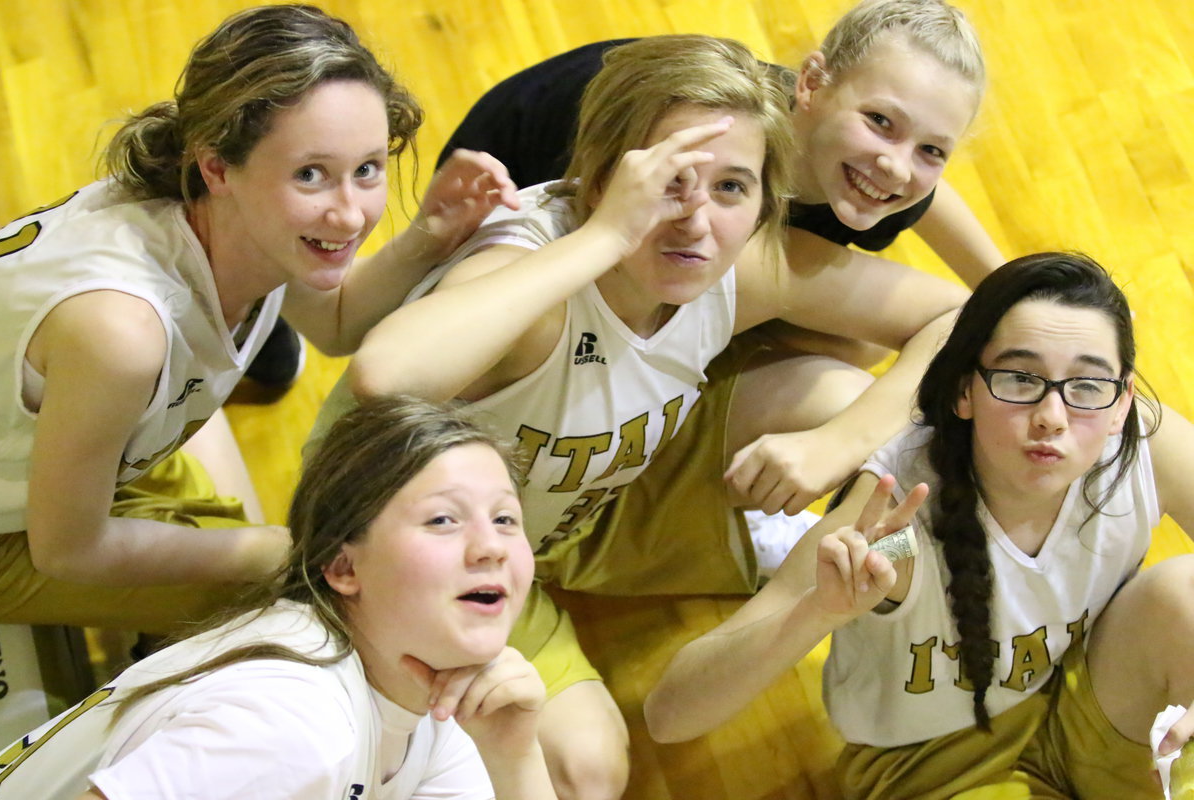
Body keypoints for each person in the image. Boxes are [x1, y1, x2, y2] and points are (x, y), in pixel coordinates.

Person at [313, 32, 973, 799]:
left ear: (765, 198)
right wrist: (606, 236)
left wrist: (841, 442)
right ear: (602, 178)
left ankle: (813, 606)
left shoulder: (740, 262)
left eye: (731, 188)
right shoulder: (536, 285)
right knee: (586, 771)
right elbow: (382, 374)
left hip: (570, 517)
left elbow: (958, 315)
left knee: (851, 397)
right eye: (671, 182)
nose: (696, 219)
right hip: (406, 555)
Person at [0, 4, 516, 631]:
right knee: (308, 607)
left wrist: (428, 237)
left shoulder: (235, 217)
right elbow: (66, 548)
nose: (350, 215)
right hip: (17, 536)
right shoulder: (121, 334)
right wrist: (278, 550)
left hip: (64, 469)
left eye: (367, 170)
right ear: (217, 166)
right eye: (311, 174)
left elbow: (336, 323)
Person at [643, 252, 1194, 799]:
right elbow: (669, 715)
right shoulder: (894, 516)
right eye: (1020, 378)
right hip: (933, 764)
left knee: (1186, 591)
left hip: (1090, 700)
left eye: (1087, 385)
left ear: (1121, 402)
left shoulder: (1146, 445)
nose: (1053, 415)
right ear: (963, 391)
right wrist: (818, 612)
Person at [0, 396, 558, 800]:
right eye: (443, 519)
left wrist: (514, 755)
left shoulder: (422, 714)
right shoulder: (294, 724)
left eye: (506, 519)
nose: (492, 547)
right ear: (343, 566)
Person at [438, 0, 1003, 294]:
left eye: (933, 150)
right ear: (809, 85)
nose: (897, 166)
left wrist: (1009, 291)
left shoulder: (872, 175)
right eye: (880, 120)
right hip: (521, 167)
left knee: (847, 338)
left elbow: (930, 196)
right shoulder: (709, 143)